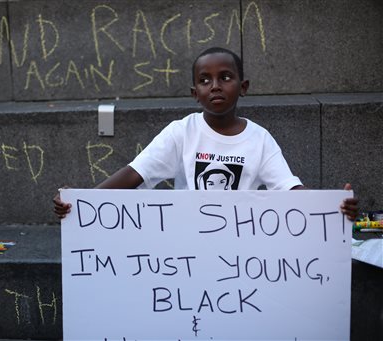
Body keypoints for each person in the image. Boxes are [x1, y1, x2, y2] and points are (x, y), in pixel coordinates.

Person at [54, 47, 358, 219]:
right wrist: (81, 200)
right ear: (194, 92)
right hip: (185, 248)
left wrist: (333, 206)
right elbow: (135, 174)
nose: (215, 85)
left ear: (243, 86)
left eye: (225, 77)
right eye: (205, 80)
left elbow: (290, 190)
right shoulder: (181, 132)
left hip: (240, 250)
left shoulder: (259, 139)